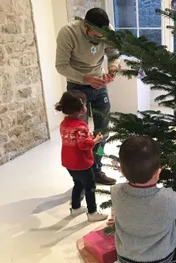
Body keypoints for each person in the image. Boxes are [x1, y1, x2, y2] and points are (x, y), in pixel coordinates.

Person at [56, 8, 119, 185]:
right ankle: (83, 176)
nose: (100, 39)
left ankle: (97, 169)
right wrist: (85, 78)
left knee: (103, 132)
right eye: (96, 35)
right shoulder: (68, 33)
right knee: (79, 136)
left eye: (102, 36)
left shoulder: (108, 32)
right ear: (85, 25)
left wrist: (113, 70)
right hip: (76, 88)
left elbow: (114, 55)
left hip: (99, 86)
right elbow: (61, 66)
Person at [56, 90, 108, 222]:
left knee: (78, 184)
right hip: (82, 163)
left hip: (69, 162)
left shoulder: (64, 123)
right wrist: (96, 140)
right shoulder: (81, 127)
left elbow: (74, 141)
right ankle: (92, 212)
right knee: (90, 187)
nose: (86, 106)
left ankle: (75, 208)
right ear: (80, 109)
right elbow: (84, 145)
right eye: (85, 104)